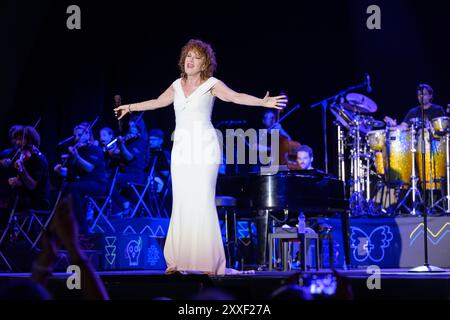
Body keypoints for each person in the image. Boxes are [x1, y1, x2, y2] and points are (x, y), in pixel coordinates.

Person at [114, 39, 287, 275]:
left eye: (196, 57)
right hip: (182, 149)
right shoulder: (176, 85)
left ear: (205, 62)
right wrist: (130, 107)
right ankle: (178, 260)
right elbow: (156, 102)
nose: (190, 60)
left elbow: (236, 97)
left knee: (202, 201)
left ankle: (207, 262)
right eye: (188, 56)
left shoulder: (211, 84)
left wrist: (262, 102)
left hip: (205, 148)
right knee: (183, 202)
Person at [54, 122, 107, 233]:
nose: (77, 138)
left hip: (97, 183)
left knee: (72, 188)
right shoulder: (78, 151)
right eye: (75, 136)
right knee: (60, 189)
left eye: (79, 135)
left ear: (88, 135)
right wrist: (60, 170)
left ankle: (82, 227)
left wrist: (76, 156)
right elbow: (71, 173)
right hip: (82, 183)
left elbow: (89, 168)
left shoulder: (95, 149)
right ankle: (62, 227)